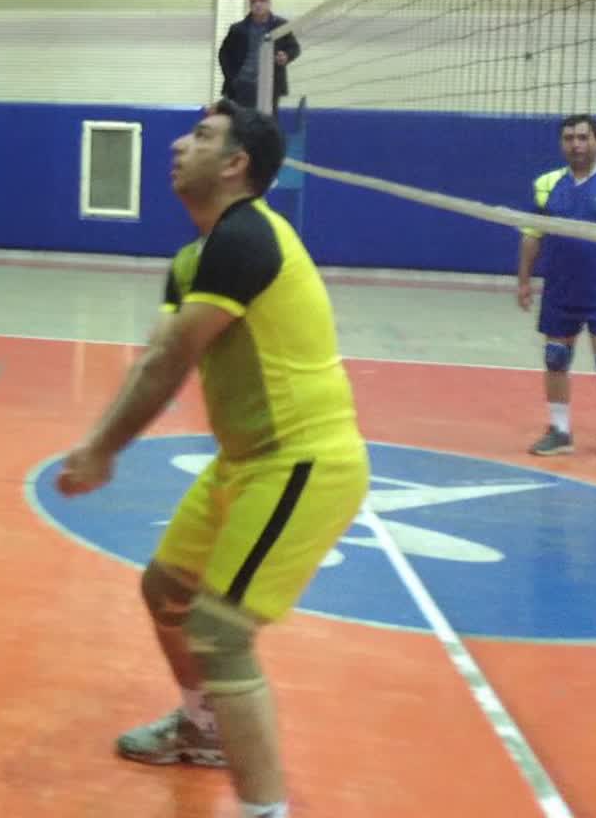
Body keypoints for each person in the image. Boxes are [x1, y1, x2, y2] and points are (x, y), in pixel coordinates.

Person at [55, 100, 368, 818]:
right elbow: (157, 356)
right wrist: (101, 441)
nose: (177, 145)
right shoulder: (194, 258)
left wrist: (101, 449)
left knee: (221, 635)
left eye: (200, 136)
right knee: (165, 590)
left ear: (235, 164)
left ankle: (265, 809)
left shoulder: (248, 236)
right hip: (243, 463)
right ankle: (201, 728)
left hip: (301, 462)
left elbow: (170, 363)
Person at [517, 114, 596, 457]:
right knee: (555, 358)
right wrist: (524, 280)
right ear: (562, 144)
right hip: (560, 288)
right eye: (569, 138)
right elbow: (531, 236)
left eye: (583, 137)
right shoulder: (546, 184)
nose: (576, 144)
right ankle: (560, 430)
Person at [218, 0, 300, 111]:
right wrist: (232, 77)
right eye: (254, 1)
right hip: (241, 86)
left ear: (269, 2)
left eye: (262, 0)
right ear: (250, 4)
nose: (258, 4)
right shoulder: (237, 29)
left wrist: (286, 56)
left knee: (266, 121)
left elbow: (294, 47)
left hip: (270, 86)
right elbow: (224, 54)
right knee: (239, 121)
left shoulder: (281, 25)